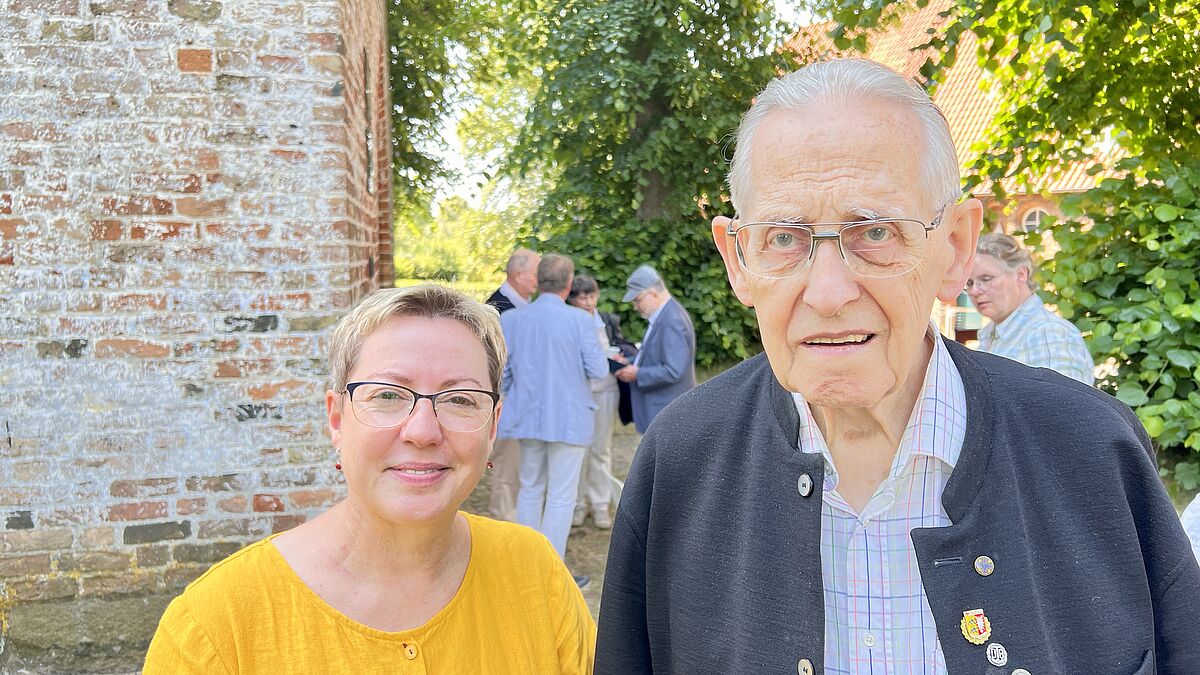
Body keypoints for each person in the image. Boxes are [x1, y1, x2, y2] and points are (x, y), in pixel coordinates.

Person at [596, 58, 1200, 674]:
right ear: (738, 258)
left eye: (875, 232)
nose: (828, 293)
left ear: (956, 246)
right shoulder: (680, 461)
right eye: (784, 237)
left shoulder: (1091, 451)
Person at [144, 285, 595, 673]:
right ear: (337, 419)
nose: (422, 431)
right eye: (387, 395)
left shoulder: (536, 575)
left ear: (492, 426)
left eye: (459, 399)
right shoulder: (218, 625)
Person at [500, 254, 607, 586]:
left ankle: (527, 565)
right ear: (568, 282)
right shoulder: (579, 321)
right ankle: (550, 572)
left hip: (528, 415)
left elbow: (503, 374)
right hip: (569, 417)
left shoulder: (514, 320)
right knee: (561, 495)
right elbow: (599, 370)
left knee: (531, 488)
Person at [967, 231, 1094, 384]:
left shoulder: (1048, 333)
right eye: (969, 283)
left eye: (986, 279)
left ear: (1021, 274)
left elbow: (1062, 406)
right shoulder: (990, 334)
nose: (974, 291)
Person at [566, 275, 632, 530]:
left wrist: (621, 358)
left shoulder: (607, 320)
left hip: (606, 390)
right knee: (578, 449)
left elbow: (618, 346)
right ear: (572, 299)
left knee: (601, 448)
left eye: (591, 296)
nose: (587, 302)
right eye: (582, 297)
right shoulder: (568, 321)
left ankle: (601, 503)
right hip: (577, 391)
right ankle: (578, 503)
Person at [485, 248, 541, 521]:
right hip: (507, 400)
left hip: (525, 400)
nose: (539, 280)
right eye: (535, 273)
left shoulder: (525, 306)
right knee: (506, 467)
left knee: (520, 466)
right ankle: (503, 519)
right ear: (518, 274)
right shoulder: (497, 308)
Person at [613, 265, 696, 433]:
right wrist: (628, 362)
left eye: (637, 300)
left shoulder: (672, 321)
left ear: (653, 293)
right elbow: (653, 356)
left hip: (667, 412)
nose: (635, 306)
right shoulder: (663, 314)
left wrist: (637, 373)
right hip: (660, 410)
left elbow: (673, 370)